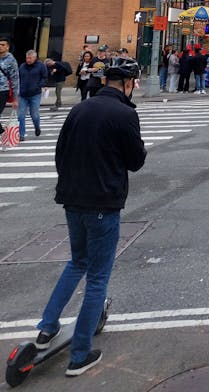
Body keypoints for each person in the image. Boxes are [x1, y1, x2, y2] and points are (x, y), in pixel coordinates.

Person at [33, 59, 146, 377]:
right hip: (103, 203)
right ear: (125, 84)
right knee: (97, 278)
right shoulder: (125, 114)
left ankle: (47, 327)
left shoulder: (80, 109)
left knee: (77, 262)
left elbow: (60, 152)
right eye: (133, 84)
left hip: (72, 200)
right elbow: (136, 161)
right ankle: (79, 354)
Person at [17, 49, 48, 140]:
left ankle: (37, 127)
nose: (28, 60)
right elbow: (18, 78)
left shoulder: (41, 66)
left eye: (30, 58)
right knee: (21, 115)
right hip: (22, 94)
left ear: (35, 58)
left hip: (35, 94)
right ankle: (21, 134)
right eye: (27, 58)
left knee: (34, 114)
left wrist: (39, 86)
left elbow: (45, 77)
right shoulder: (22, 66)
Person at [0, 37, 19, 133]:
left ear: (7, 47)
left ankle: (1, 131)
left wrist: (15, 99)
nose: (0, 47)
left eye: (3, 45)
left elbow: (15, 79)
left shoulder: (11, 60)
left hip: (3, 90)